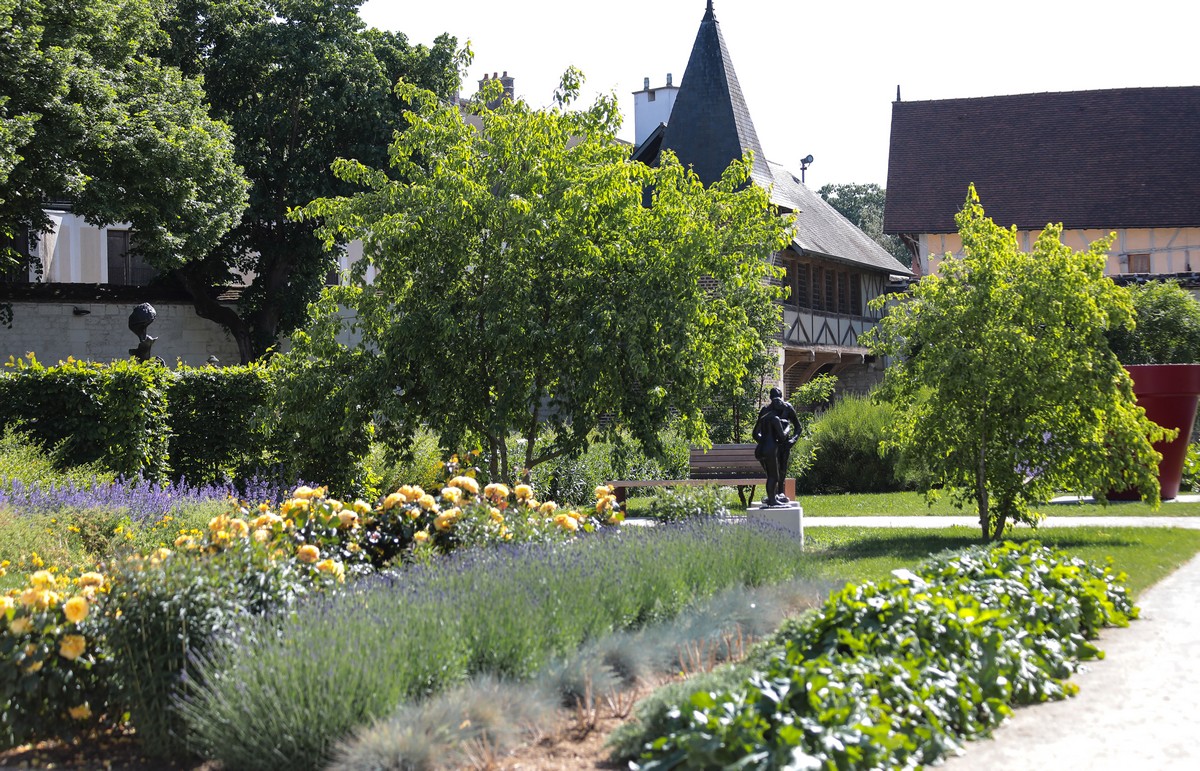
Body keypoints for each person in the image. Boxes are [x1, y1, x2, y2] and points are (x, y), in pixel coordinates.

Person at [753, 387, 801, 505]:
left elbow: (798, 427)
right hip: (772, 446)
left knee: (782, 469)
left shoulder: (787, 408)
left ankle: (780, 493)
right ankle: (772, 496)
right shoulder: (766, 411)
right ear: (771, 399)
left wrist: (793, 440)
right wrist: (765, 441)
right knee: (772, 473)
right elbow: (756, 433)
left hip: (784, 445)